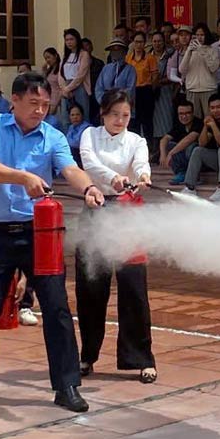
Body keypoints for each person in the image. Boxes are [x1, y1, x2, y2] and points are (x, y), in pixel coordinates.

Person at [0, 72, 100, 412]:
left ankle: (67, 386)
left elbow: (70, 169)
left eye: (45, 104)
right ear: (14, 101)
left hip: (39, 235)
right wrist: (22, 176)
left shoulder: (52, 135)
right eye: (33, 103)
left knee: (56, 308)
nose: (40, 110)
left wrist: (88, 188)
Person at [75, 89, 158, 383]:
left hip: (128, 214)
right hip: (97, 209)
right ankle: (87, 355)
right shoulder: (89, 135)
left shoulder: (136, 140)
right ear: (103, 113)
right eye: (114, 115)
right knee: (91, 288)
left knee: (134, 287)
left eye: (125, 115)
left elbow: (140, 163)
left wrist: (143, 176)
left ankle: (142, 358)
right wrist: (115, 179)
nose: (120, 120)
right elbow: (89, 165)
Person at [179, 23, 220, 119]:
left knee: (210, 118)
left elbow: (213, 68)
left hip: (208, 89)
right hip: (192, 89)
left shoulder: (212, 49)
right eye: (197, 35)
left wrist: (202, 51)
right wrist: (189, 51)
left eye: (202, 35)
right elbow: (182, 70)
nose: (199, 38)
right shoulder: (189, 50)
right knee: (194, 119)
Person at [125, 32, 159, 142]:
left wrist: (152, 90)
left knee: (147, 121)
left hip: (146, 90)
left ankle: (149, 146)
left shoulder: (150, 58)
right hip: (133, 91)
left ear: (144, 43)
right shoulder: (128, 58)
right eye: (136, 42)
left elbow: (154, 76)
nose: (138, 44)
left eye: (141, 42)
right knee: (134, 120)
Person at [159, 101, 201, 185]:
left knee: (191, 147)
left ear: (193, 113)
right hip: (185, 159)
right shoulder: (179, 125)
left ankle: (193, 175)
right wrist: (163, 154)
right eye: (181, 114)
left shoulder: (199, 123)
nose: (184, 116)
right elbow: (165, 139)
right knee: (170, 144)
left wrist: (171, 153)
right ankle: (181, 173)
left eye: (187, 113)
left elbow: (190, 139)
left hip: (200, 163)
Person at [60, 29, 94, 124]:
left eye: (71, 39)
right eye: (67, 40)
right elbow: (60, 74)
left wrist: (69, 88)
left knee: (82, 115)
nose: (69, 42)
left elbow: (81, 75)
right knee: (65, 117)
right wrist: (64, 88)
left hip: (80, 87)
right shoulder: (65, 56)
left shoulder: (84, 54)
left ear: (77, 40)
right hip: (66, 87)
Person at [151, 31, 176, 141]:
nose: (157, 44)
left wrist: (159, 81)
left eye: (159, 41)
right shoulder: (148, 56)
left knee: (166, 118)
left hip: (166, 91)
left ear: (164, 42)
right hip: (152, 92)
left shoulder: (170, 55)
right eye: (155, 41)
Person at [95, 38, 136, 106]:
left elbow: (130, 90)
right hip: (107, 107)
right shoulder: (105, 68)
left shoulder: (130, 70)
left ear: (124, 52)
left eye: (118, 50)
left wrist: (116, 100)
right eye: (113, 50)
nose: (115, 52)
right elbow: (98, 88)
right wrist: (104, 101)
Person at [41, 47, 63, 123]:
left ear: (55, 56)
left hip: (58, 101)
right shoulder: (50, 70)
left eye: (49, 57)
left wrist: (55, 104)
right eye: (45, 58)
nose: (47, 60)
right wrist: (44, 71)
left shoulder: (61, 68)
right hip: (49, 100)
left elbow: (61, 87)